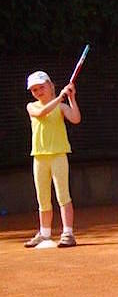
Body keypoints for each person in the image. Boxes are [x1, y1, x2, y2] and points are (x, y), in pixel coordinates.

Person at [23, 71, 81, 248]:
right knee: (43, 198)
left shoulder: (61, 107)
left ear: (51, 86)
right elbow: (41, 112)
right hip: (39, 157)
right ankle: (45, 233)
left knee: (63, 195)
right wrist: (60, 98)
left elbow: (76, 119)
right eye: (34, 89)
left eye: (41, 87)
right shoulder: (31, 106)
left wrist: (71, 98)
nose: (38, 91)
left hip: (58, 155)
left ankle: (68, 233)